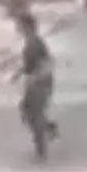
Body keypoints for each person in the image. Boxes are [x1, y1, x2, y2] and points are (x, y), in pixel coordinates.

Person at [12, 12, 58, 159]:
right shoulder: (33, 41)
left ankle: (41, 147)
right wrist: (19, 73)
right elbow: (32, 64)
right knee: (29, 111)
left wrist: (26, 74)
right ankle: (48, 129)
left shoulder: (33, 43)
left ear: (27, 26)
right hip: (39, 81)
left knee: (33, 113)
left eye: (19, 25)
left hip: (39, 82)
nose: (17, 28)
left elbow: (36, 64)